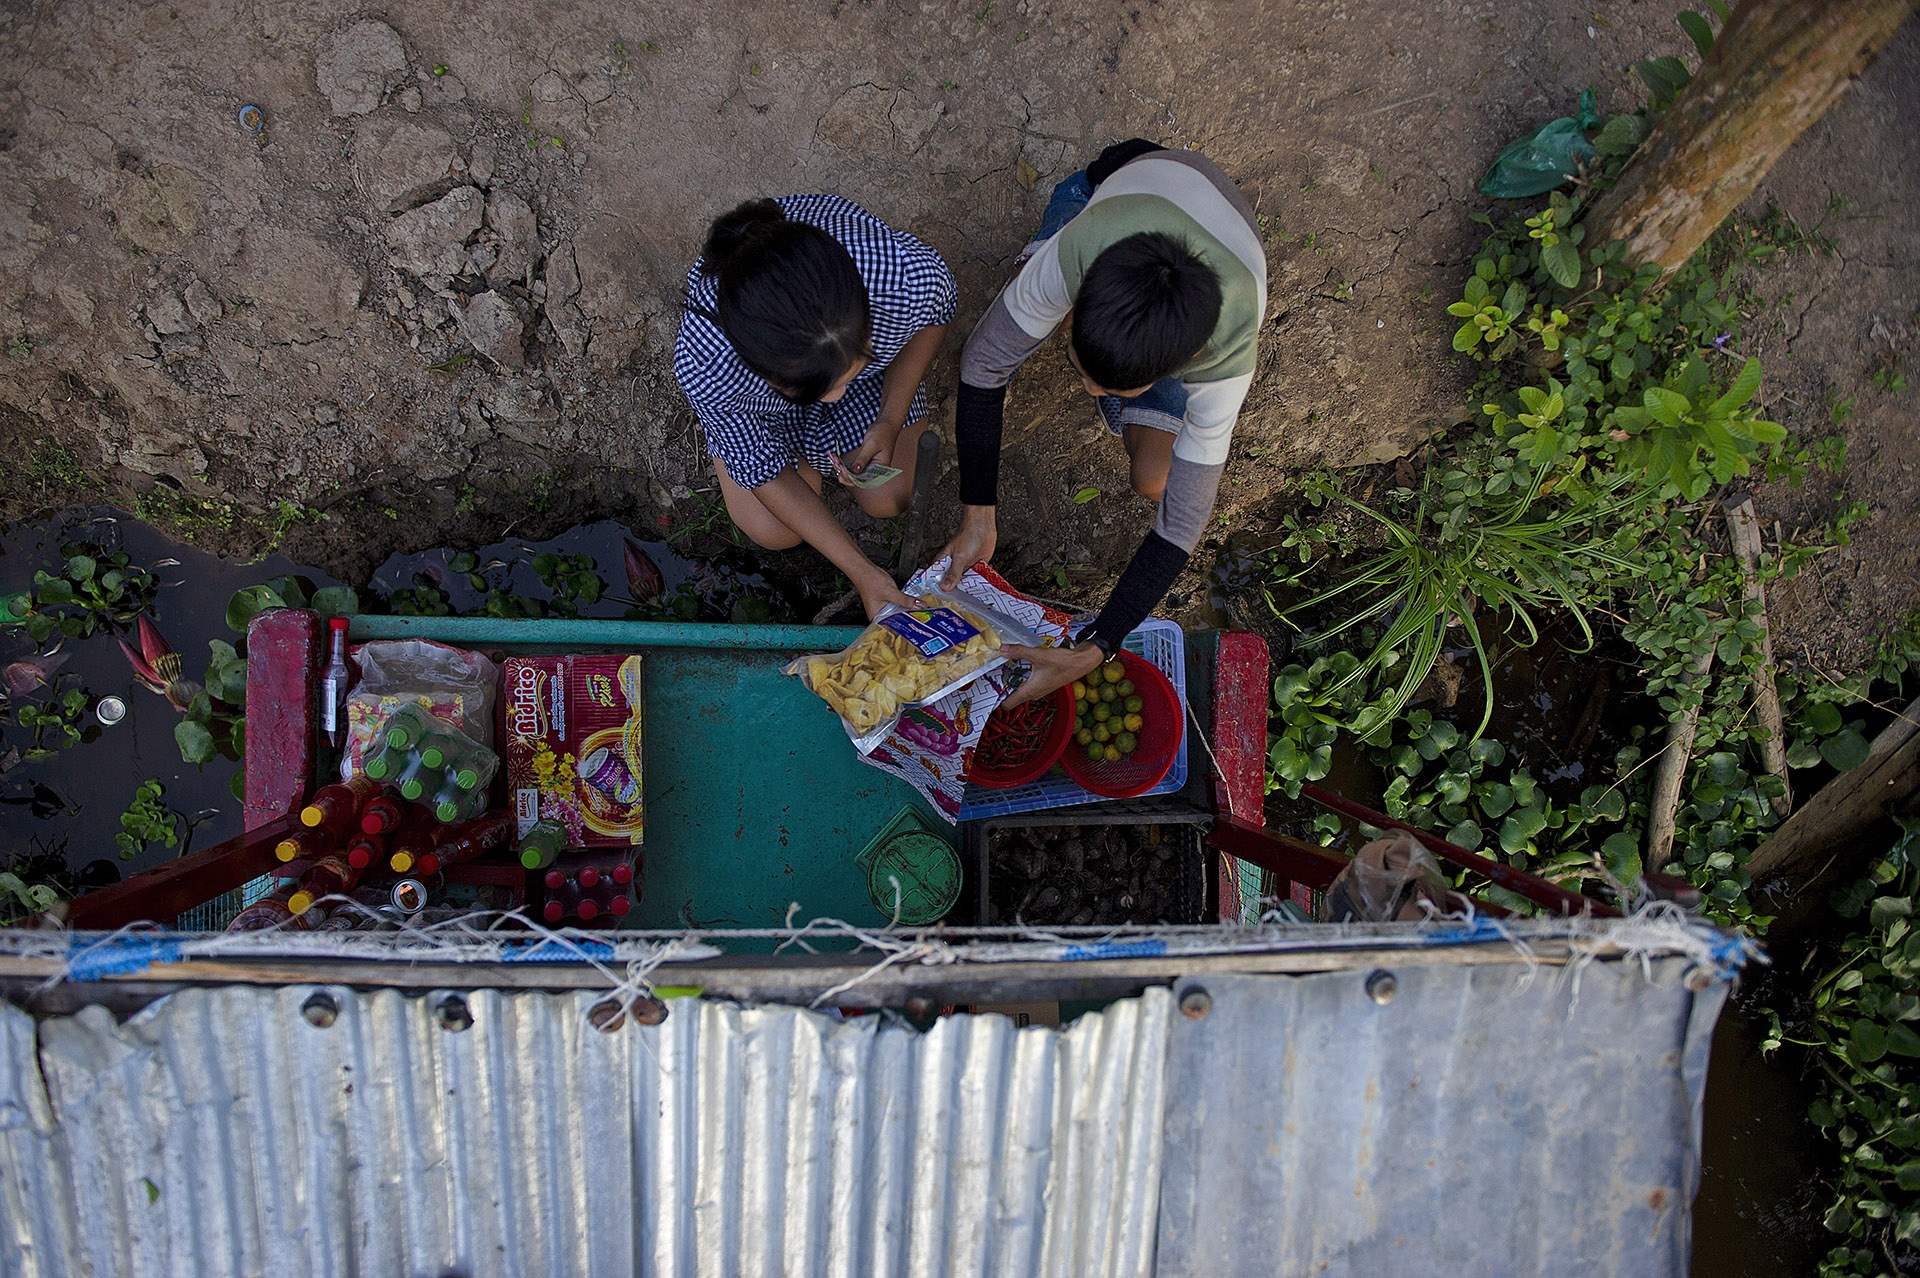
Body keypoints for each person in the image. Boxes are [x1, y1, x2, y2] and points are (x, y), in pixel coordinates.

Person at [938, 140, 1267, 703]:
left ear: (1183, 367)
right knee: (1026, 303)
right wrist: (977, 518)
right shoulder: (1082, 248)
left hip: (1218, 247)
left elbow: (1182, 523)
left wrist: (1098, 644)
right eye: (1080, 365)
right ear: (1087, 291)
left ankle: (1123, 380)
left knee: (1155, 479)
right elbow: (985, 363)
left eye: (1105, 384)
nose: (1085, 388)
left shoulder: (1228, 360)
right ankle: (1082, 327)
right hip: (1107, 191)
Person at [674, 195, 957, 619]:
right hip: (760, 411)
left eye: (847, 377)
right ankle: (769, 436)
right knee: (774, 529)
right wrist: (861, 571)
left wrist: (889, 418)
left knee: (890, 496)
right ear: (757, 366)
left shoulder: (898, 276)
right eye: (817, 390)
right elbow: (763, 471)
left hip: (832, 372)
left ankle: (835, 402)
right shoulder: (708, 362)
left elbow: (938, 312)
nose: (836, 399)